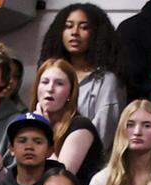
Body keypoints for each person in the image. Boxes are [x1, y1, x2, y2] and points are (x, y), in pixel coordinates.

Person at [36, 4, 126, 145]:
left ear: (96, 33)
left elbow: (103, 136)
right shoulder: (51, 75)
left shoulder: (106, 81)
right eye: (68, 26)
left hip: (89, 160)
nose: (75, 32)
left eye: (84, 27)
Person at [30, 60, 104, 185]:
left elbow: (60, 180)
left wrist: (42, 129)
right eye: (45, 82)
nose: (50, 89)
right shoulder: (27, 122)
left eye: (59, 83)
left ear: (70, 93)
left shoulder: (81, 127)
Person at [0, 111, 65, 185]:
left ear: (50, 150)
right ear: (11, 149)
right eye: (22, 141)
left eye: (38, 142)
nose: (29, 147)